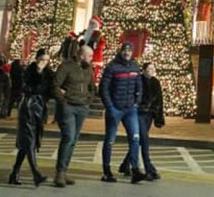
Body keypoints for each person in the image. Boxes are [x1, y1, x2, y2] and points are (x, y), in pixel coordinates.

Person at [99, 42, 144, 184]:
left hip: (130, 109)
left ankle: (135, 169)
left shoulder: (135, 67)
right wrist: (110, 107)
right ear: (121, 51)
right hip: (115, 109)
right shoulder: (112, 67)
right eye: (125, 50)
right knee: (110, 140)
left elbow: (139, 85)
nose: (127, 52)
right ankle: (107, 171)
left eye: (130, 50)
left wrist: (137, 101)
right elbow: (103, 89)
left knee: (135, 138)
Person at [52, 43, 96, 188]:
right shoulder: (66, 66)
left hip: (82, 107)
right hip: (69, 107)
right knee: (68, 137)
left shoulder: (88, 68)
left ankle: (64, 171)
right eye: (89, 56)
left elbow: (92, 87)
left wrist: (89, 100)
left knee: (73, 140)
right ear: (82, 55)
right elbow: (55, 84)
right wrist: (63, 101)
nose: (91, 58)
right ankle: (60, 172)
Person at [9, 49, 49, 187]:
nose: (44, 62)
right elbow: (27, 86)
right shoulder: (29, 71)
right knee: (29, 141)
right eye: (42, 59)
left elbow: (48, 88)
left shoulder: (47, 73)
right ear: (37, 59)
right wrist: (38, 72)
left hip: (39, 108)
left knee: (27, 144)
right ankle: (36, 174)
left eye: (47, 60)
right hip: (28, 107)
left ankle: (14, 173)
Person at [118, 62, 164, 180]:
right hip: (138, 113)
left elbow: (159, 101)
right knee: (144, 141)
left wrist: (159, 118)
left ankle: (125, 165)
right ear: (143, 70)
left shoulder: (155, 82)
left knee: (138, 141)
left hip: (149, 115)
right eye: (148, 68)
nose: (151, 70)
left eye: (153, 68)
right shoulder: (138, 80)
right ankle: (149, 169)